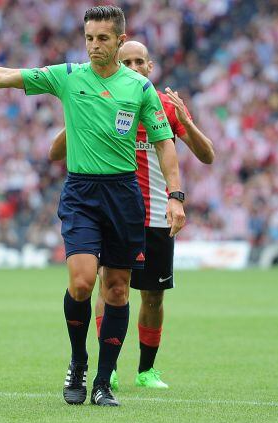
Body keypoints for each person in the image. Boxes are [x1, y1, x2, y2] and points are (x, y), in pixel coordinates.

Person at [0, 5, 186, 407]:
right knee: (82, 282)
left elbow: (164, 146)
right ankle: (78, 362)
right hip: (82, 193)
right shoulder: (69, 76)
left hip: (124, 195)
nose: (94, 46)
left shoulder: (140, 89)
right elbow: (4, 77)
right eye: (89, 38)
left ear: (120, 40)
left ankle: (104, 383)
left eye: (103, 38)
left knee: (119, 290)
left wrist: (175, 197)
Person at [49, 40, 215, 391]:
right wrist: (77, 115)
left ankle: (146, 370)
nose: (136, 66)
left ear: (151, 67)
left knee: (153, 297)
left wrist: (186, 121)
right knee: (108, 288)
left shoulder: (163, 108)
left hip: (156, 214)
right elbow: (54, 153)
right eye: (129, 61)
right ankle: (105, 370)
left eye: (141, 61)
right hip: (116, 212)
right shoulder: (96, 99)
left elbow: (207, 155)